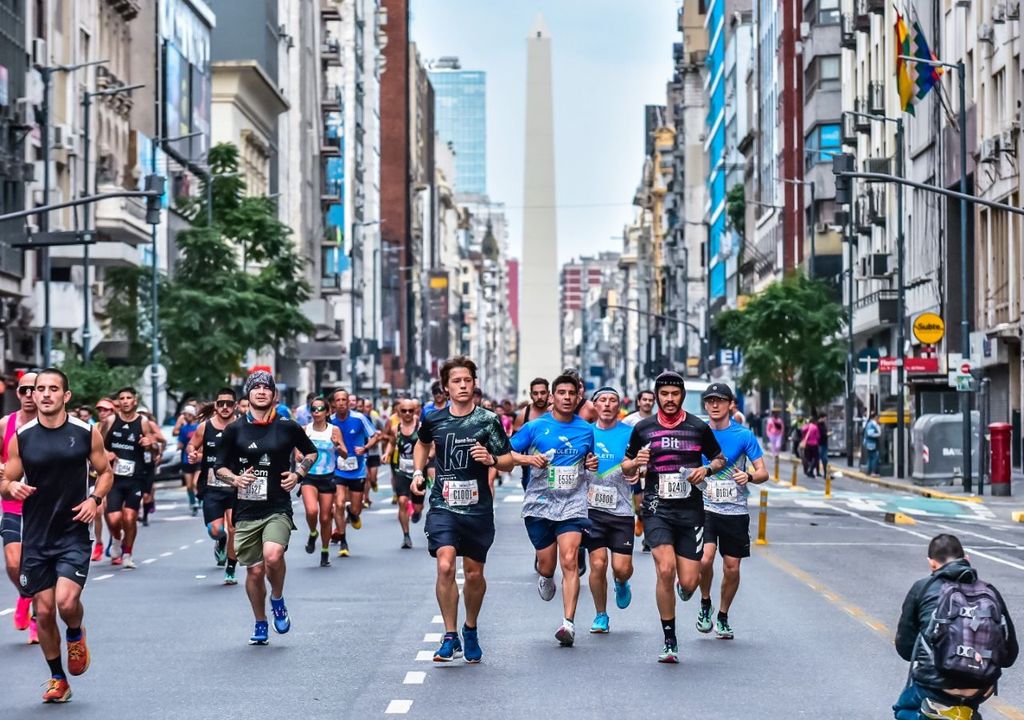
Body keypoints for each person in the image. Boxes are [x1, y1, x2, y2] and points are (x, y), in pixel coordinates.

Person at [0, 368, 113, 703]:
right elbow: (5, 482)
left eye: (53, 389)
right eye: (39, 389)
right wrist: (12, 487)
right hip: (36, 536)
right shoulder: (23, 436)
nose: (45, 394)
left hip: (72, 533)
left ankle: (76, 634)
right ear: (32, 396)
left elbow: (105, 473)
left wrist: (94, 499)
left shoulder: (85, 432)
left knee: (66, 602)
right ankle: (58, 679)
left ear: (66, 396)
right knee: (45, 611)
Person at [411, 356, 515, 663]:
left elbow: (508, 459)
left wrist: (492, 459)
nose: (463, 386)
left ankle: (470, 628)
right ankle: (449, 634)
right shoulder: (434, 419)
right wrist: (419, 473)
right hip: (443, 505)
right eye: (456, 381)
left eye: (467, 380)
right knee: (444, 565)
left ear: (474, 384)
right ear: (445, 387)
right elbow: (421, 443)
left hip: (477, 509)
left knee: (473, 574)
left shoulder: (488, 420)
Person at [622, 371, 726, 664]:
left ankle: (689, 589)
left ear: (681, 396)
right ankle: (669, 639)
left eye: (675, 394)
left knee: (689, 582)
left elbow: (720, 458)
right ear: (656, 396)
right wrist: (635, 463)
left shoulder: (697, 427)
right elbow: (626, 467)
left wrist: (706, 470)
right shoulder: (643, 428)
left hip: (691, 510)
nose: (669, 399)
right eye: (664, 394)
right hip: (657, 508)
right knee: (665, 570)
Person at [214, 370, 318, 645]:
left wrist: (298, 475)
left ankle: (278, 598)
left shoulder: (287, 426)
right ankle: (260, 622)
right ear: (248, 394)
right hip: (246, 509)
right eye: (255, 388)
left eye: (266, 388)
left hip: (278, 506)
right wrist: (235, 479)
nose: (261, 391)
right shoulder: (235, 429)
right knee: (255, 570)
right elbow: (219, 466)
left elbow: (310, 452)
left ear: (274, 394)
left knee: (272, 556)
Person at [510, 373, 598, 647]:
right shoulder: (535, 427)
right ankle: (546, 576)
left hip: (572, 503)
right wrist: (527, 458)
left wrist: (591, 466)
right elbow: (504, 453)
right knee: (547, 564)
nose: (568, 398)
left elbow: (589, 464)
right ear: (553, 397)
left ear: (577, 397)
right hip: (540, 503)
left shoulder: (586, 429)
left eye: (572, 394)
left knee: (570, 560)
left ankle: (568, 624)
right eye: (562, 393)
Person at [893, 534, 1019, 720]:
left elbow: (905, 649)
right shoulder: (990, 591)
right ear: (966, 559)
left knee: (903, 709)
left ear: (932, 564)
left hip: (935, 686)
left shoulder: (923, 588)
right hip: (981, 687)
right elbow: (1009, 656)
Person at [696, 383, 768, 640]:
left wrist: (748, 476)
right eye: (710, 400)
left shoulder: (744, 435)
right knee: (704, 559)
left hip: (735, 510)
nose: (715, 405)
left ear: (730, 404)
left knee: (732, 568)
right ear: (705, 404)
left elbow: (763, 473)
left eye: (720, 400)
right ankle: (705, 603)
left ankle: (723, 615)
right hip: (704, 506)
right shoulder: (698, 432)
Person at [584, 386, 640, 634]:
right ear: (594, 405)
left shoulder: (631, 433)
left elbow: (643, 461)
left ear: (619, 407)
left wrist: (640, 470)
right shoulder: (584, 433)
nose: (607, 404)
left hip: (622, 510)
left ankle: (622, 582)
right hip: (591, 509)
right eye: (602, 400)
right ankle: (601, 615)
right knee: (597, 565)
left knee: (621, 567)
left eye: (612, 401)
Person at [101, 387, 163, 569]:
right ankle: (116, 541)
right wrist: (107, 454)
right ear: (118, 402)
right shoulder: (111, 420)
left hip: (135, 477)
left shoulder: (143, 422)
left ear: (135, 400)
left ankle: (127, 554)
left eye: (129, 398)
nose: (126, 401)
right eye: (122, 398)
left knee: (129, 517)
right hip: (114, 478)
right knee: (113, 519)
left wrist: (150, 445)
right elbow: (97, 446)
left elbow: (154, 450)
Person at [186, 388, 240, 584]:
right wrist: (191, 453)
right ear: (216, 406)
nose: (225, 407)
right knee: (215, 530)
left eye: (228, 403)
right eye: (221, 404)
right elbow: (192, 445)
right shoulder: (205, 427)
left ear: (234, 406)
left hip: (236, 485)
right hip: (211, 486)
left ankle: (231, 569)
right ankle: (221, 540)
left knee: (234, 528)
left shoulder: (242, 426)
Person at [2, 371, 38, 643]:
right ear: (18, 393)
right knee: (13, 564)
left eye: (33, 390)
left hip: (44, 506)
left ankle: (38, 618)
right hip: (12, 502)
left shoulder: (52, 424)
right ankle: (26, 594)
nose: (28, 395)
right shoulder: (6, 423)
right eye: (23, 390)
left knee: (38, 564)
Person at [328, 389, 380, 556]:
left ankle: (353, 514)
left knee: (356, 508)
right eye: (338, 400)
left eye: (344, 399)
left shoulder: (359, 418)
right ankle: (343, 541)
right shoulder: (330, 421)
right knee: (339, 503)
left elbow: (374, 436)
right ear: (334, 403)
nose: (342, 403)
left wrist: (365, 447)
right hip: (338, 470)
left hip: (356, 470)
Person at [300, 398, 345, 567]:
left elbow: (345, 453)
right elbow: (297, 450)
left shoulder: (334, 430)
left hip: (327, 477)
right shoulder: (306, 430)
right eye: (314, 409)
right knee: (312, 511)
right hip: (309, 476)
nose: (317, 412)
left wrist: (337, 446)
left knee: (326, 518)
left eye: (320, 409)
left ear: (327, 412)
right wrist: (298, 455)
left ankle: (325, 550)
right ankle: (313, 533)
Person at [389, 397, 426, 548]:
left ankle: (417, 512)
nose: (407, 413)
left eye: (410, 410)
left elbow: (430, 445)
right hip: (402, 470)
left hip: (418, 472)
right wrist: (387, 453)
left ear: (415, 411)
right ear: (399, 411)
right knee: (402, 502)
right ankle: (406, 535)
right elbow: (392, 444)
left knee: (417, 507)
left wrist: (429, 455)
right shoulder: (395, 428)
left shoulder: (421, 427)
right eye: (404, 411)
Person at [512, 378, 551, 490]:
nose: (539, 397)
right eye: (535, 393)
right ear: (530, 395)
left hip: (556, 468)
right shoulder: (524, 415)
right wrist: (526, 459)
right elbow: (513, 448)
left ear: (548, 394)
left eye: (543, 393)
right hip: (530, 471)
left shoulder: (556, 411)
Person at [177, 405, 201, 516]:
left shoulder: (199, 427)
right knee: (189, 485)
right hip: (186, 459)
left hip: (198, 459)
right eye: (184, 414)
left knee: (196, 483)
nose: (185, 416)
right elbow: (180, 443)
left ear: (191, 415)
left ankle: (198, 500)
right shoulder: (183, 428)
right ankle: (193, 503)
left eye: (186, 414)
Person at [864, 411, 882, 476]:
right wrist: (878, 434)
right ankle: (873, 472)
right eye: (878, 417)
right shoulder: (871, 424)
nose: (879, 419)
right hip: (872, 444)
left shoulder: (871, 424)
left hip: (870, 444)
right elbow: (870, 434)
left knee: (870, 458)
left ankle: (869, 471)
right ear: (875, 417)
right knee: (875, 457)